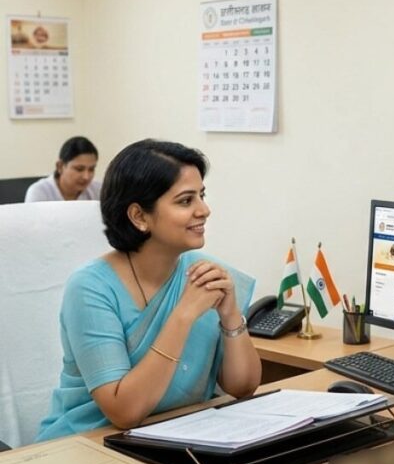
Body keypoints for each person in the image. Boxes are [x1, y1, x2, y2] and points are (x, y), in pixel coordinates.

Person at [37, 139, 261, 440]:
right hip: (89, 442)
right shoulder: (90, 288)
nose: (204, 210)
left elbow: (243, 387)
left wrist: (231, 315)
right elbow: (124, 412)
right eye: (186, 201)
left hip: (183, 435)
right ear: (139, 217)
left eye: (202, 196)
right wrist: (183, 315)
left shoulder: (205, 273)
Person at [24, 136, 102, 202]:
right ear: (60, 166)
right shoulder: (39, 192)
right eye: (79, 169)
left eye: (91, 169)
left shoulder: (98, 190)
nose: (86, 177)